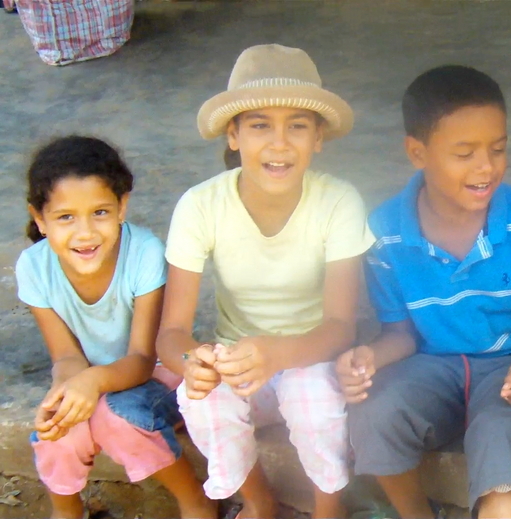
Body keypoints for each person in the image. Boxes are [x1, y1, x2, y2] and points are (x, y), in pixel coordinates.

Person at [338, 65, 511, 519]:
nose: (487, 167)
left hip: (509, 367)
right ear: (417, 152)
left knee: (501, 432)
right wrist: (367, 359)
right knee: (374, 413)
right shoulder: (384, 233)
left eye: (498, 149)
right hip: (429, 366)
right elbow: (399, 333)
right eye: (464, 153)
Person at [155, 44, 373, 519]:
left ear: (319, 138)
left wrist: (276, 353)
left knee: (315, 405)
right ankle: (258, 500)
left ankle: (328, 507)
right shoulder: (200, 206)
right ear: (232, 135)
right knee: (201, 402)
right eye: (259, 126)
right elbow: (171, 334)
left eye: (297, 125)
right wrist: (194, 362)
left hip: (309, 352)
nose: (279, 144)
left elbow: (340, 326)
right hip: (237, 355)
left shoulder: (338, 202)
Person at [15, 136, 212, 519]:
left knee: (115, 416)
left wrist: (93, 383)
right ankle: (68, 511)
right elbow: (67, 357)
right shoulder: (33, 268)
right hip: (96, 382)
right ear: (40, 219)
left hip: (157, 379)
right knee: (59, 427)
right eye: (65, 217)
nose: (85, 232)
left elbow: (142, 358)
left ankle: (196, 502)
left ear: (122, 206)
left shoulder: (145, 254)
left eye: (100, 212)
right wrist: (68, 391)